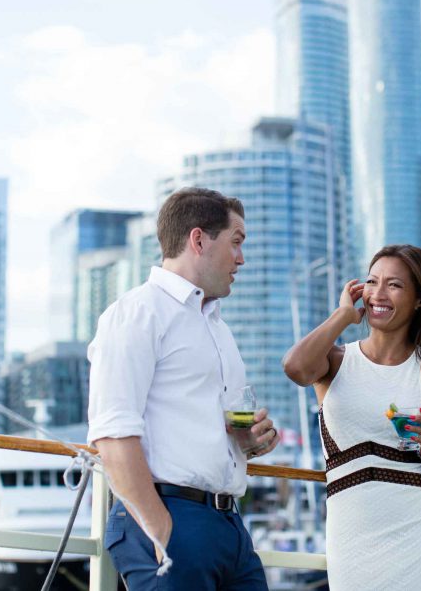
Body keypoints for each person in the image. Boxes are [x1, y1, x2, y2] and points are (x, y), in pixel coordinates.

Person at [87, 187, 281, 591]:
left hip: (228, 527)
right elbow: (112, 433)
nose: (241, 258)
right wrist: (163, 534)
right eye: (236, 242)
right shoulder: (136, 312)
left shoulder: (218, 329)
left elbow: (218, 427)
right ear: (198, 239)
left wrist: (249, 439)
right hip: (172, 519)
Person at [283, 244, 421, 591]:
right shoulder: (334, 361)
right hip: (352, 543)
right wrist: (342, 316)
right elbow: (295, 367)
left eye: (394, 285)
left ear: (420, 300)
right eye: (372, 281)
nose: (378, 294)